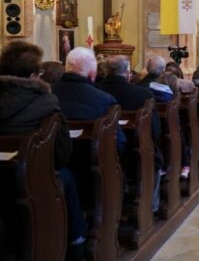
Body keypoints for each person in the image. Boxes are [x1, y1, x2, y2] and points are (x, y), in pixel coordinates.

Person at [0, 41, 87, 259]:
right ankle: (76, 241)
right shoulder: (46, 102)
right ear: (32, 75)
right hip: (31, 182)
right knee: (65, 176)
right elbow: (62, 152)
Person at [98, 56, 164, 213]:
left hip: (101, 152)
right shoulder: (142, 95)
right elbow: (154, 130)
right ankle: (150, 207)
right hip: (135, 152)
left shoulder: (97, 91)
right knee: (156, 157)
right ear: (128, 73)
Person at [52, 47, 127, 153]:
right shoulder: (104, 99)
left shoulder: (46, 95)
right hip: (90, 163)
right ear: (92, 74)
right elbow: (118, 143)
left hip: (51, 164)